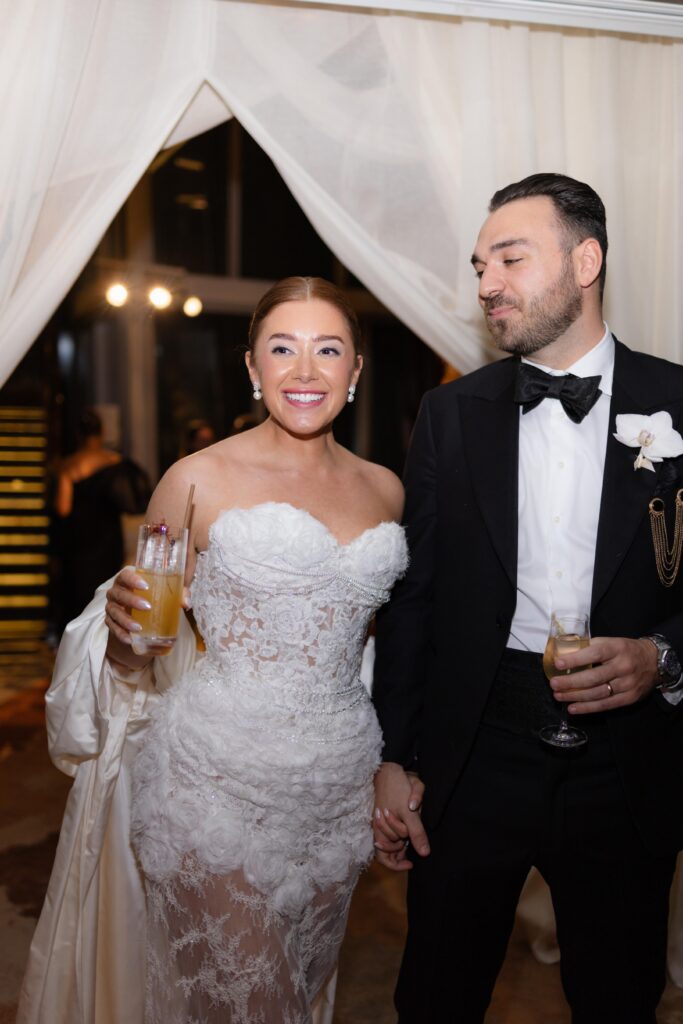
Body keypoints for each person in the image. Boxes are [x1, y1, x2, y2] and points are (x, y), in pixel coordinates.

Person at [19, 276, 406, 1024]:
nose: (305, 370)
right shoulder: (195, 479)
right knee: (258, 1007)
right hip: (213, 785)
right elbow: (142, 645)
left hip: (336, 795)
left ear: (356, 369)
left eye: (328, 350)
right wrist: (126, 641)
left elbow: (370, 646)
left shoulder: (386, 490)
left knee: (298, 992)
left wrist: (394, 767)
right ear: (252, 367)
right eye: (282, 349)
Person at [372, 173, 683, 1023]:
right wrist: (393, 756)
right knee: (436, 994)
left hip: (627, 761)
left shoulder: (678, 403)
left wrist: (660, 656)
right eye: (479, 266)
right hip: (475, 754)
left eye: (510, 258)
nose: (486, 284)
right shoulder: (448, 414)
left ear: (585, 262)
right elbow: (413, 598)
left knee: (617, 998)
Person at [54, 407, 151, 629]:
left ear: (78, 434)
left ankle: (77, 640)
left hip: (78, 542)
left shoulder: (69, 465)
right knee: (104, 594)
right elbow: (132, 503)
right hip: (107, 540)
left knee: (77, 597)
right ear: (102, 431)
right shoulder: (115, 462)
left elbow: (62, 508)